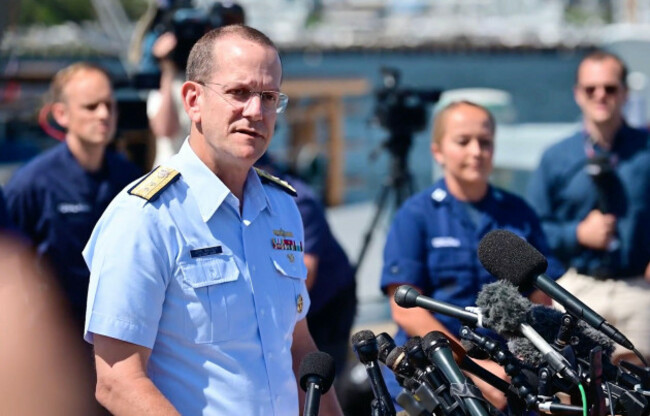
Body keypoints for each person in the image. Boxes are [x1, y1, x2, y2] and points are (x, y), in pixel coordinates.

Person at [83, 25, 343, 415]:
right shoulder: (143, 218)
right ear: (193, 100)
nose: (255, 112)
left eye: (269, 97)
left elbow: (299, 348)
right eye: (238, 93)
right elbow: (118, 380)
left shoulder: (283, 209)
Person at [380, 101, 564, 409]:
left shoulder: (520, 214)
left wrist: (516, 366)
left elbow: (539, 300)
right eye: (463, 141)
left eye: (485, 142)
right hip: (433, 371)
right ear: (437, 151)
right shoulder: (415, 215)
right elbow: (405, 309)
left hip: (508, 373)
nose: (476, 151)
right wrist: (472, 373)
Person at [527, 50, 650, 365]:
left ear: (624, 93)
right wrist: (576, 233)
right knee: (571, 382)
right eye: (590, 89)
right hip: (578, 286)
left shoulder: (645, 151)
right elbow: (533, 229)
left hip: (637, 286)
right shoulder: (556, 157)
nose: (600, 96)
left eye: (609, 88)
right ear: (577, 94)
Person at [4, 62, 142, 328]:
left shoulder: (131, 179)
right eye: (91, 107)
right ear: (61, 114)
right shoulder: (31, 184)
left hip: (117, 327)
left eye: (110, 105)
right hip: (52, 335)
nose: (103, 114)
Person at [255, 155, 357, 378]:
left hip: (327, 303)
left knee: (321, 377)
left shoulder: (295, 200)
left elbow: (304, 274)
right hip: (296, 306)